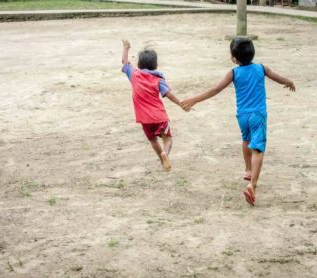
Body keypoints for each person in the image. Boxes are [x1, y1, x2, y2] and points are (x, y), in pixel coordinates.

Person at [181, 37, 296, 205]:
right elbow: (277, 78)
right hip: (258, 115)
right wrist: (289, 81)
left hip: (242, 116)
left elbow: (216, 89)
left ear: (234, 58)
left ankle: (248, 169)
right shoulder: (261, 68)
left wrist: (195, 99)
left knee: (246, 140)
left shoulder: (233, 73)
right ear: (253, 53)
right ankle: (252, 185)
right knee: (258, 148)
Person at [121, 40, 185, 172]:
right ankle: (165, 154)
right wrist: (180, 103)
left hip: (144, 118)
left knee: (153, 140)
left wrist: (126, 48)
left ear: (138, 64)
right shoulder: (158, 79)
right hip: (159, 115)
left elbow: (124, 61)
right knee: (167, 139)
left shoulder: (134, 74)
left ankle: (162, 161)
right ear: (156, 66)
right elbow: (168, 94)